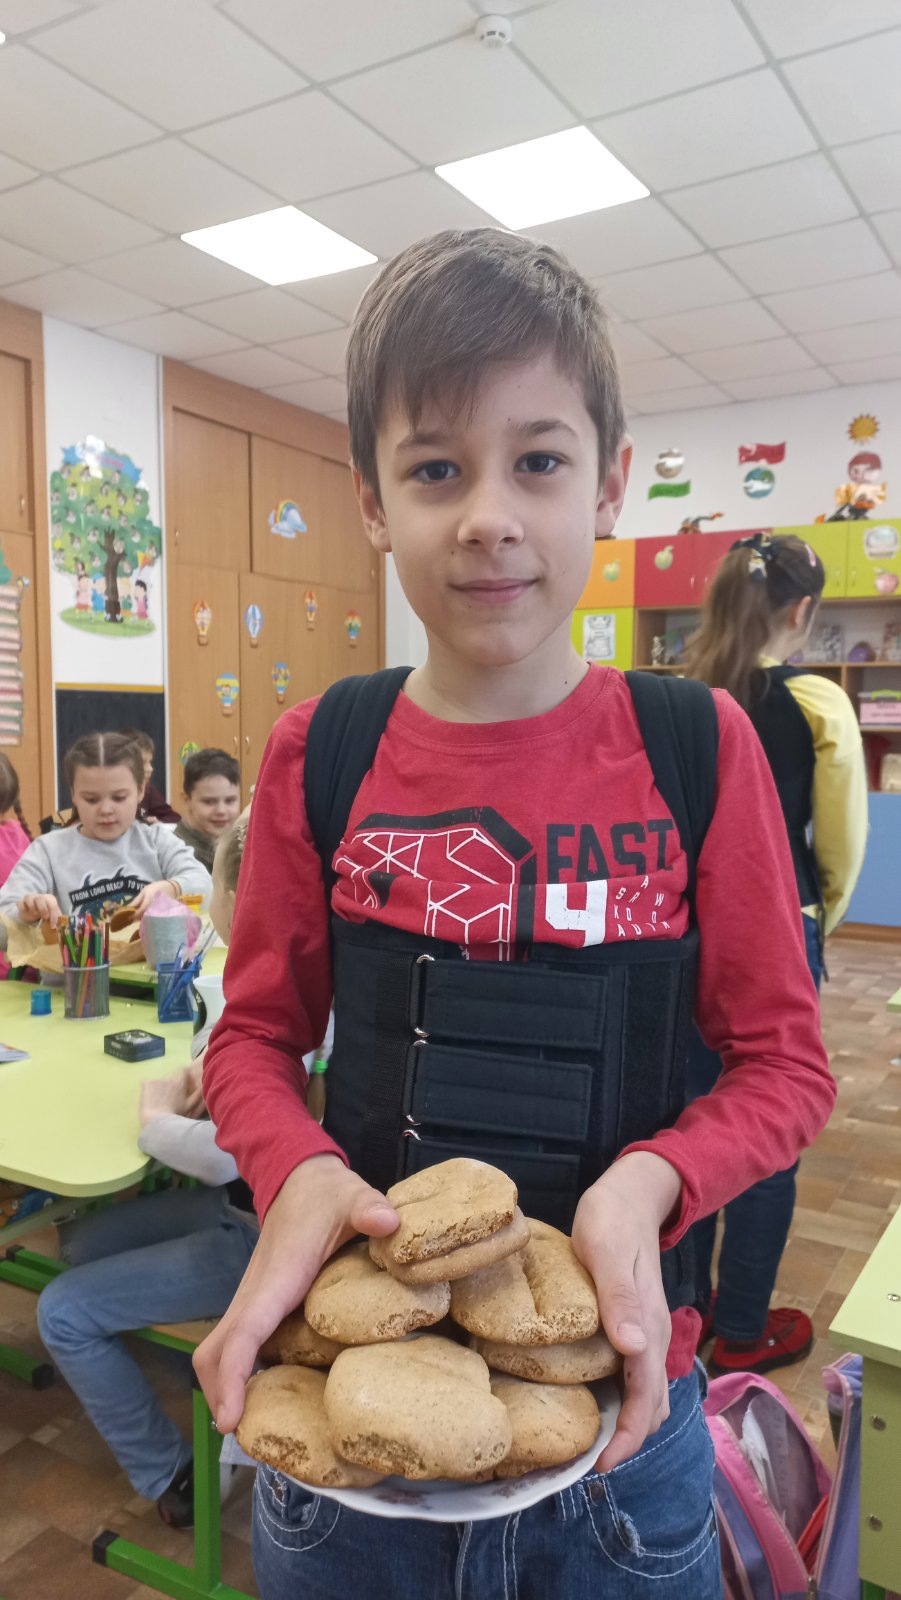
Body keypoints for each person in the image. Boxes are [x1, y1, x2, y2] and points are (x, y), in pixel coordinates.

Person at [194, 229, 835, 1600]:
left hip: (621, 1455)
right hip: (352, 1468)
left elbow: (785, 1065)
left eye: (537, 461)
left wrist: (652, 1180)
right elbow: (250, 1038)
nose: (487, 514)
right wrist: (293, 1168)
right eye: (435, 468)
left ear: (607, 484)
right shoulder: (323, 749)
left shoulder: (697, 747)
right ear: (372, 501)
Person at [37, 811, 256, 1528]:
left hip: (263, 1237)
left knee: (61, 1311)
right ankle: (188, 1364)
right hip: (243, 1209)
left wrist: (156, 1121)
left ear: (234, 898)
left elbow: (230, 1153)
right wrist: (204, 1071)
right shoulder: (275, 979)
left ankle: (177, 1475)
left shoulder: (275, 997)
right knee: (81, 1244)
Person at [684, 532, 866, 1376]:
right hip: (773, 925)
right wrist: (818, 912)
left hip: (673, 932)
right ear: (801, 611)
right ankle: (743, 1324)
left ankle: (683, 1308)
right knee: (762, 1116)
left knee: (683, 1112)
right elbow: (840, 839)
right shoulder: (814, 701)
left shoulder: (668, 697)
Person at [0, 731, 210, 931]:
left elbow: (207, 888)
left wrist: (173, 887)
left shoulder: (157, 841)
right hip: (78, 959)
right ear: (73, 795)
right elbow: (3, 922)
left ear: (140, 791)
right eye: (91, 799)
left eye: (119, 798)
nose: (106, 809)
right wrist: (25, 914)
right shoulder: (48, 851)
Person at [174, 749, 241, 873]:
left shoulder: (238, 842)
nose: (221, 811)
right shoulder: (179, 854)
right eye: (209, 802)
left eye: (230, 801)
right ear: (187, 800)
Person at [118, 726, 181, 825]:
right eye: (142, 762)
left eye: (150, 762)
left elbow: (174, 818)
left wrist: (159, 822)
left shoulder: (148, 790)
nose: (150, 769)